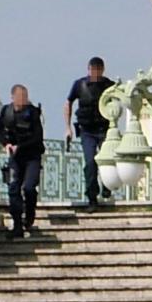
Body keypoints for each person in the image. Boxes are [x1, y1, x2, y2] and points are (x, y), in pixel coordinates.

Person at [64, 57, 116, 212]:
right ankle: (92, 198)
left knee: (108, 161)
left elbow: (120, 102)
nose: (95, 73)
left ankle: (107, 186)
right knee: (90, 163)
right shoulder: (79, 85)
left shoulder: (109, 86)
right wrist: (67, 128)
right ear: (88, 70)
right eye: (92, 70)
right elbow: (68, 103)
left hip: (104, 129)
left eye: (98, 70)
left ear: (102, 70)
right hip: (87, 130)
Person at [0, 84, 45, 239]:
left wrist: (20, 146)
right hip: (15, 158)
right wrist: (6, 144)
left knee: (29, 188)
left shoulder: (33, 113)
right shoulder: (6, 111)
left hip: (32, 156)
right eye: (19, 96)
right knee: (13, 189)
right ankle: (17, 225)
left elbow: (38, 137)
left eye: (24, 96)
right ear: (13, 97)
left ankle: (29, 215)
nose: (22, 99)